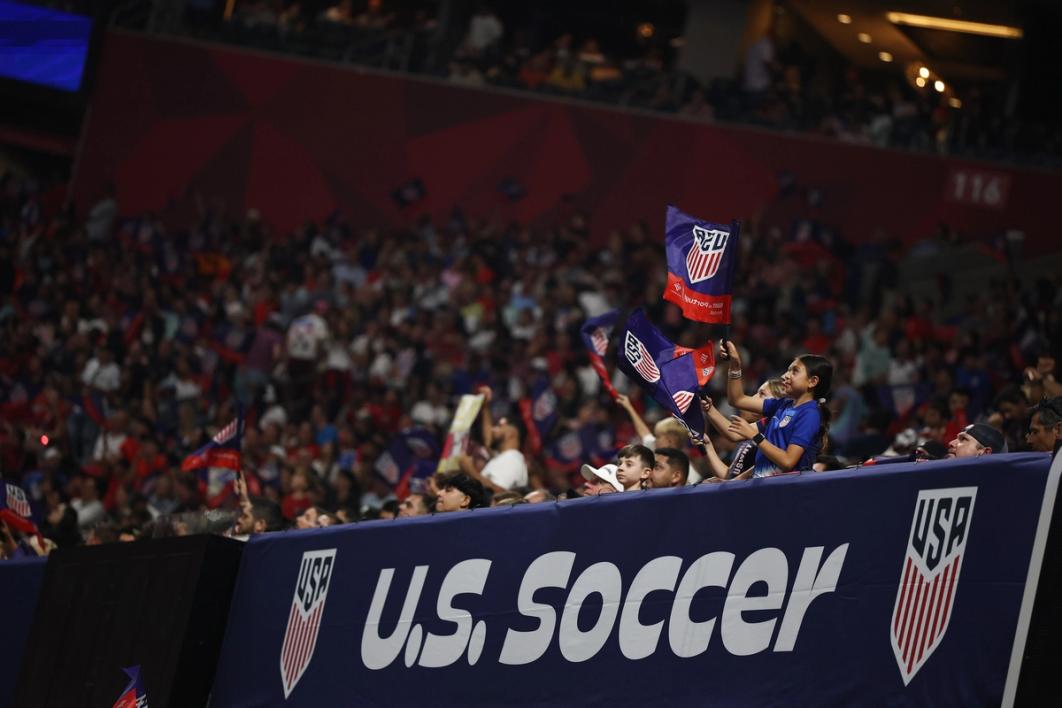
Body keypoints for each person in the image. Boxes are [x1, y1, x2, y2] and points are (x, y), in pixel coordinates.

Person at [721, 341, 833, 477]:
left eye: (795, 371)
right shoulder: (782, 405)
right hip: (765, 488)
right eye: (788, 370)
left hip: (786, 492)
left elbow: (787, 462)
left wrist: (754, 436)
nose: (785, 375)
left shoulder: (810, 414)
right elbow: (736, 399)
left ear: (812, 381)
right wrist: (735, 365)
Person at [698, 378, 785, 481]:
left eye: (762, 394)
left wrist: (728, 484)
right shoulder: (756, 430)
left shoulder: (775, 433)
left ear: (777, 402)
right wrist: (707, 445)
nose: (753, 398)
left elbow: (761, 471)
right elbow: (730, 475)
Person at [460, 386, 528, 492]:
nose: (493, 428)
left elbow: (500, 493)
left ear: (513, 432)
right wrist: (485, 406)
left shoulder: (512, 460)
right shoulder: (502, 457)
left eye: (500, 425)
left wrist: (470, 470)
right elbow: (488, 440)